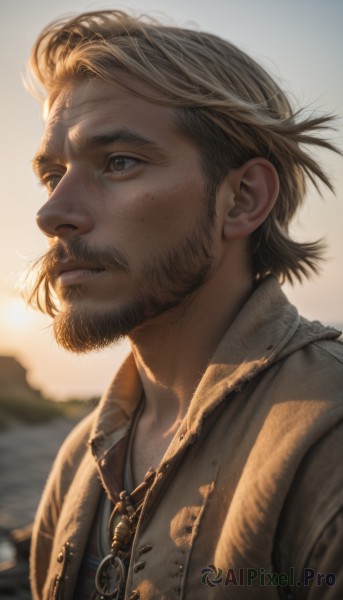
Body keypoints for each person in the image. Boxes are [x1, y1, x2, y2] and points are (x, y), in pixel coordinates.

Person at [25, 9, 342, 600]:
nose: (50, 214)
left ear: (243, 199)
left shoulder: (326, 440)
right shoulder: (81, 458)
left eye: (119, 162)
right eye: (52, 175)